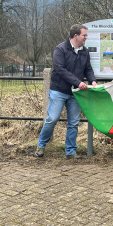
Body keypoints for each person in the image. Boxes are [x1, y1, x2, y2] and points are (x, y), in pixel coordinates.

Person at [35, 24, 97, 159]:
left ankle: (70, 151)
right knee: (52, 119)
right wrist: (78, 82)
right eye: (84, 35)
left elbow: (88, 69)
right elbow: (60, 69)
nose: (86, 37)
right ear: (76, 36)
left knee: (74, 123)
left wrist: (92, 80)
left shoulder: (85, 51)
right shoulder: (60, 49)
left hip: (75, 93)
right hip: (59, 90)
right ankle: (41, 145)